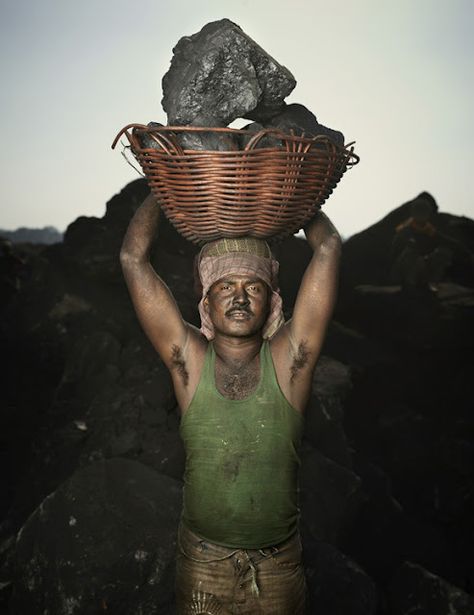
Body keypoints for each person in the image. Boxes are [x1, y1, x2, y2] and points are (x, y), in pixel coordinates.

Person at [120, 193, 341, 614]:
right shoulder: (189, 362)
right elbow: (133, 258)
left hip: (277, 568)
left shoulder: (289, 365)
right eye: (225, 286)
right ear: (206, 302)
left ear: (271, 302)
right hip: (203, 565)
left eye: (253, 287)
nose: (239, 298)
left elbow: (328, 248)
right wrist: (160, 189)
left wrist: (299, 193)